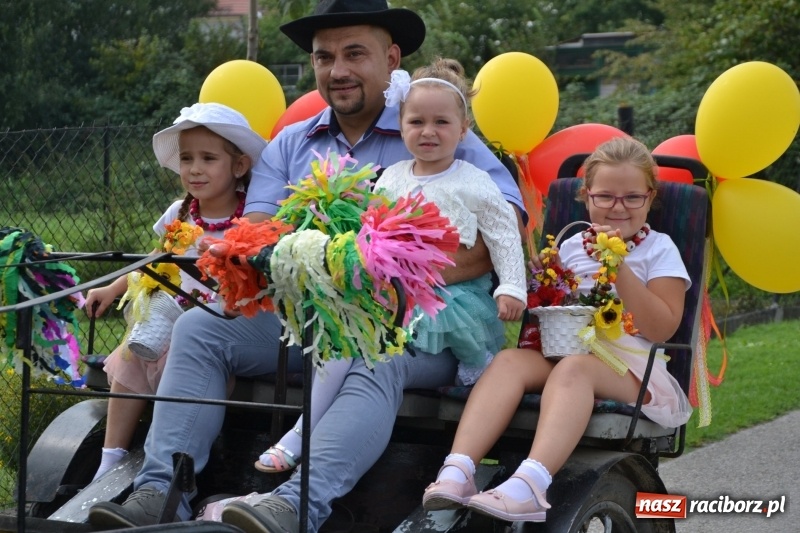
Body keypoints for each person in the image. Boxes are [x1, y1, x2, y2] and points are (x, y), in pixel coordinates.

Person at [87, 1, 527, 531]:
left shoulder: (434, 128)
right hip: (307, 321)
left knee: (373, 348)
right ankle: (160, 493)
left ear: (391, 60)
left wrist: (390, 277)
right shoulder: (291, 144)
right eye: (324, 57)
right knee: (200, 328)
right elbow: (257, 236)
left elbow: (505, 232)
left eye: (355, 54)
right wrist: (287, 261)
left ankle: (295, 504)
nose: (338, 70)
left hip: (421, 327)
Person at [253, 57, 527, 475]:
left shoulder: (474, 180)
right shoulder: (391, 177)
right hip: (389, 292)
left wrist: (511, 288)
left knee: (375, 345)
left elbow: (504, 235)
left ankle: (476, 363)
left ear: (463, 129)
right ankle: (300, 432)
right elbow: (369, 231)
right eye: (417, 122)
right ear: (400, 126)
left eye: (441, 122)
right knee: (342, 339)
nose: (428, 132)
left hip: (449, 295)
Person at [421, 136, 694, 522]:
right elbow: (554, 313)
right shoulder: (570, 246)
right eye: (605, 197)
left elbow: (662, 328)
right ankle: (457, 471)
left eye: (632, 198)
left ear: (650, 198)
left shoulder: (659, 249)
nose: (618, 207)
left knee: (574, 369)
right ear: (586, 196)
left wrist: (618, 266)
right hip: (567, 350)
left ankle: (530, 486)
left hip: (632, 368)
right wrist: (540, 287)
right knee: (509, 361)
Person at [84, 102, 265, 482]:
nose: (195, 168)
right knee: (130, 357)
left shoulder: (251, 220)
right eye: (186, 158)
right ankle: (110, 457)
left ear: (239, 166)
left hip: (218, 322)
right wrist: (112, 288)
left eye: (208, 158)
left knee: (180, 360)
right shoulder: (179, 215)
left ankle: (168, 453)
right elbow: (153, 261)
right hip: (168, 315)